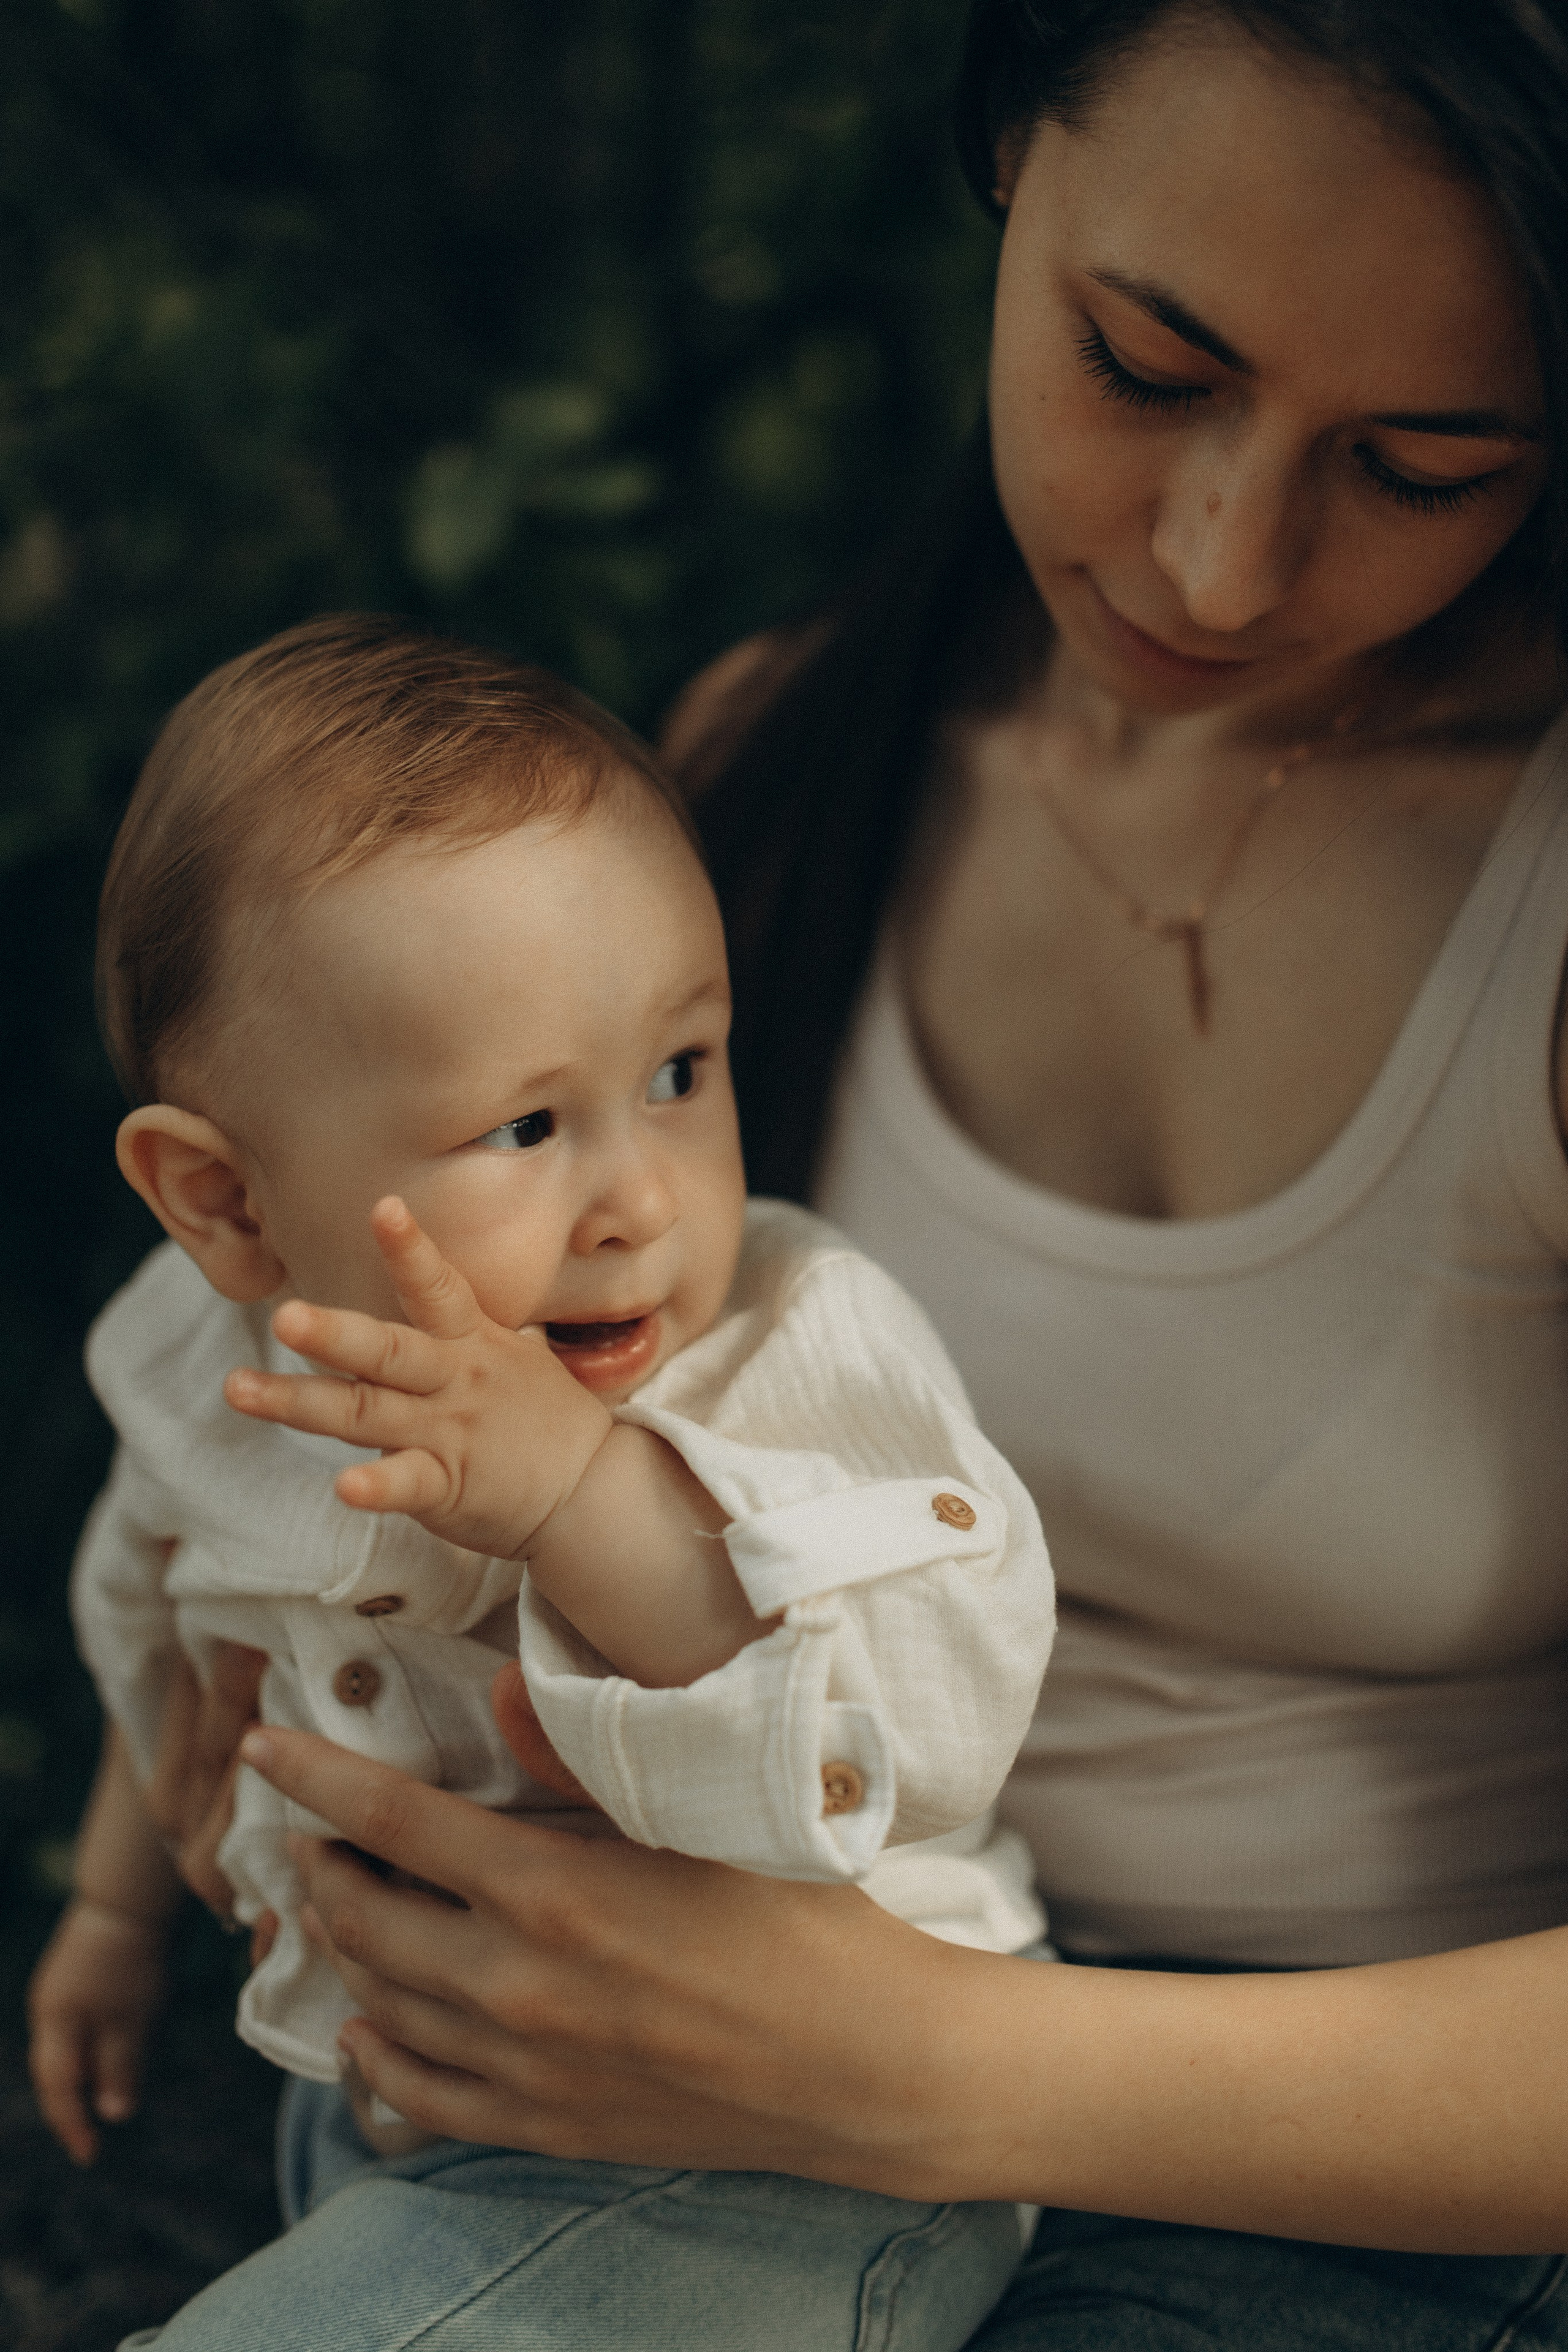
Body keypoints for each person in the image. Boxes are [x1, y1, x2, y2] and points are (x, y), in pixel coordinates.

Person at [64, 0, 1568, 2343]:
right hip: (566, 2089)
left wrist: (939, 2072)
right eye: (1149, 366)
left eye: (1424, 462)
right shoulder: (766, 773)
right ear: (1005, 157)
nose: (1219, 555)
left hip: (1340, 2198)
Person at [26, 614, 1055, 2348]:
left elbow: (922, 1718)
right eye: (526, 1127)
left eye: (679, 1073)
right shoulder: (218, 1366)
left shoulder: (793, 1354)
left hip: (797, 2146)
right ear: (227, 1208)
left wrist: (583, 1502)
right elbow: (173, 1601)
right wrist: (119, 1910)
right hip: (402, 2106)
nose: (640, 1198)